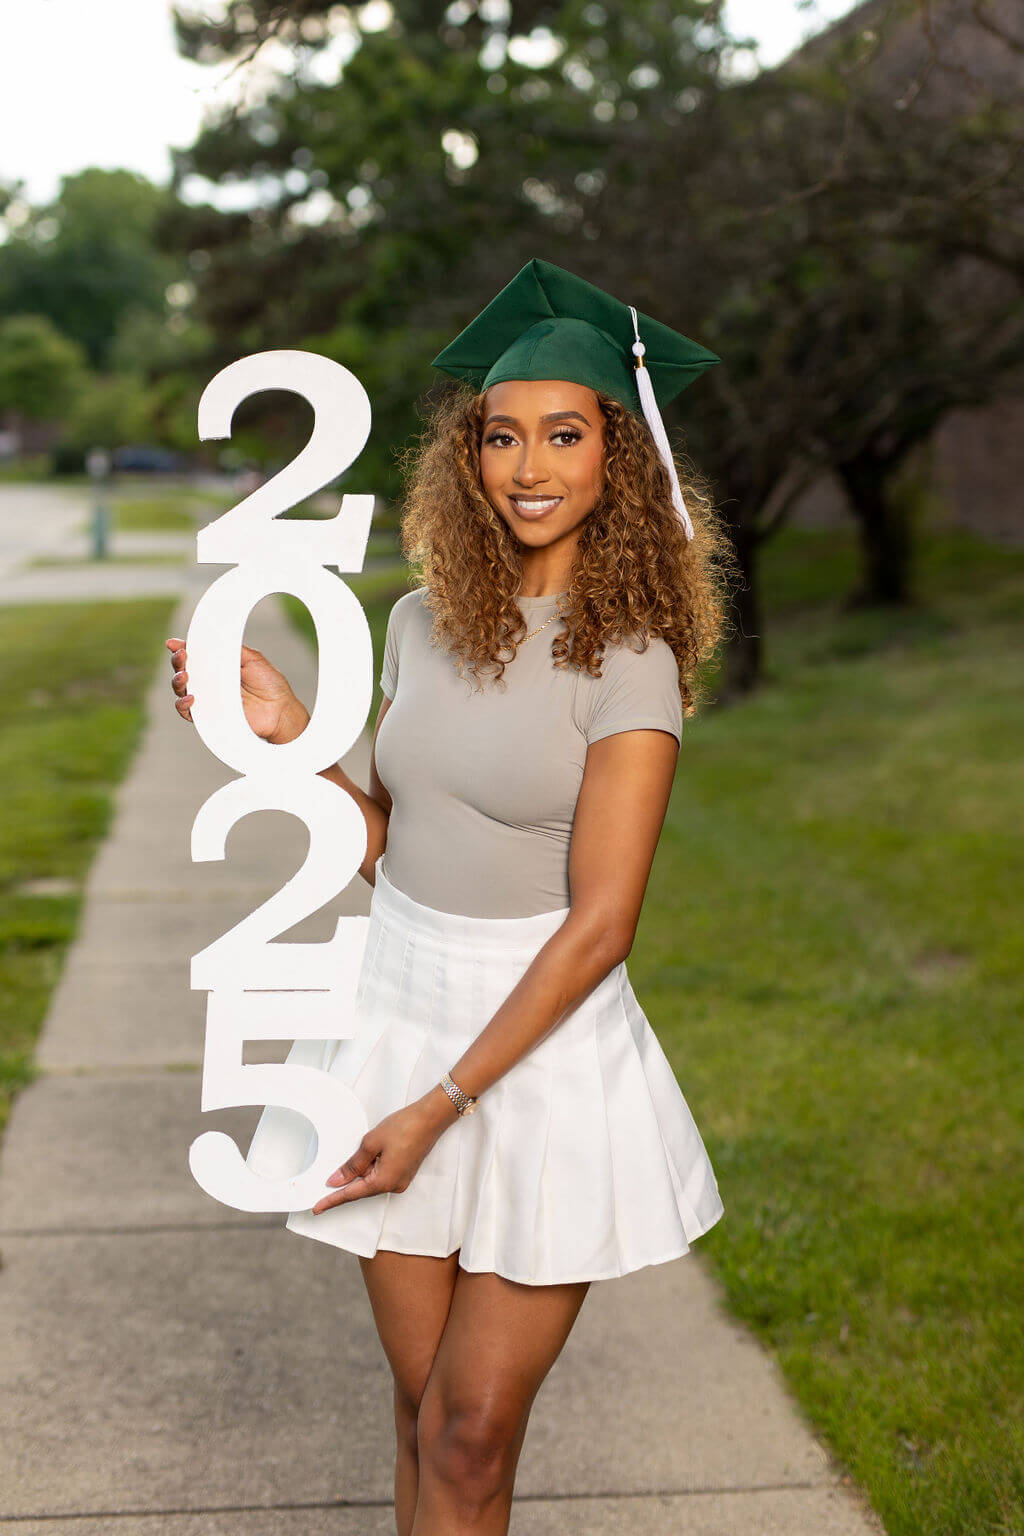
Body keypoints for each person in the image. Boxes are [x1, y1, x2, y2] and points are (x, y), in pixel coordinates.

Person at [166, 257, 738, 1536]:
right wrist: (286, 727)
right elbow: (390, 843)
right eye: (500, 434)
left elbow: (603, 924)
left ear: (619, 460)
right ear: (465, 456)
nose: (529, 465)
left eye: (565, 434)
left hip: (535, 1045)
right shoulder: (425, 623)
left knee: (472, 1433)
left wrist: (440, 1107)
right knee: (423, 1410)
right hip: (400, 1003)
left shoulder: (628, 657)